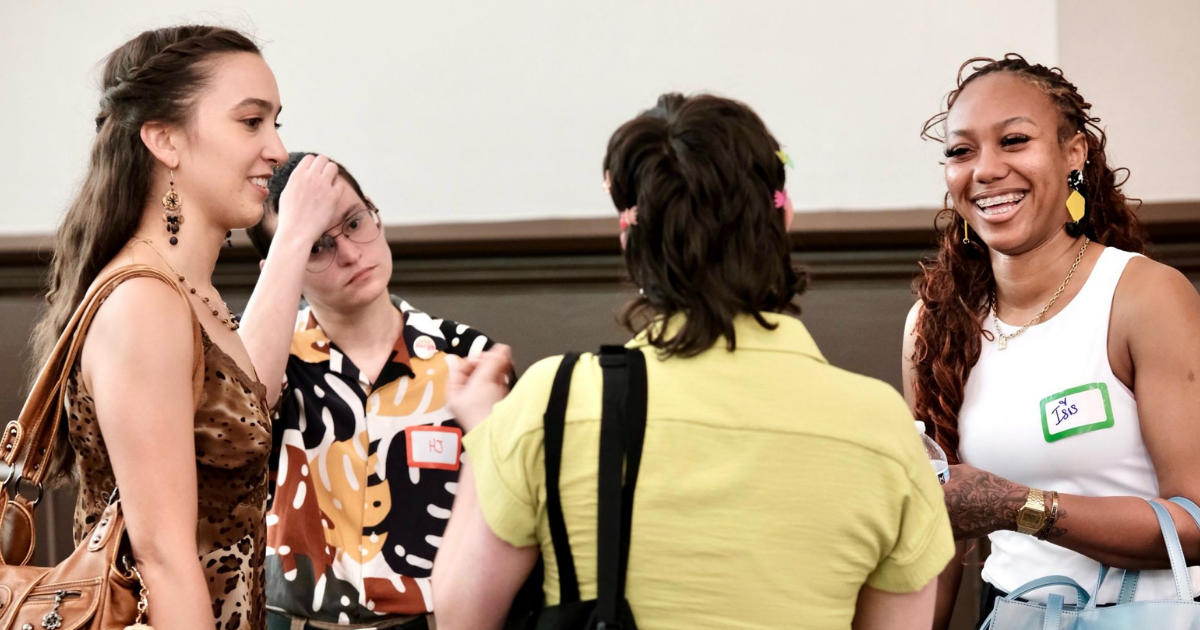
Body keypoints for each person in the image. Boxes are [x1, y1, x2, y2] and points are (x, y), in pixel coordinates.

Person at [433, 93, 955, 630]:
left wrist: (484, 435)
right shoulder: (879, 425)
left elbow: (459, 619)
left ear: (629, 238)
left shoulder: (553, 401)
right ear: (784, 215)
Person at [904, 54, 1200, 628]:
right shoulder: (934, 323)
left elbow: (1195, 519)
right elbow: (933, 536)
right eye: (961, 151)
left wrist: (1022, 508)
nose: (985, 170)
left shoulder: (1144, 296)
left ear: (1073, 154)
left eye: (1014, 140)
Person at [26, 25, 287, 629]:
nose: (277, 148)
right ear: (164, 139)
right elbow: (162, 559)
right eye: (251, 122)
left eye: (277, 121)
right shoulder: (145, 301)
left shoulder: (189, 293)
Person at [239, 152, 502, 629]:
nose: (351, 253)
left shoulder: (468, 356)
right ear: (282, 263)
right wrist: (291, 241)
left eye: (355, 223)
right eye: (316, 246)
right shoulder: (270, 356)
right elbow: (240, 404)